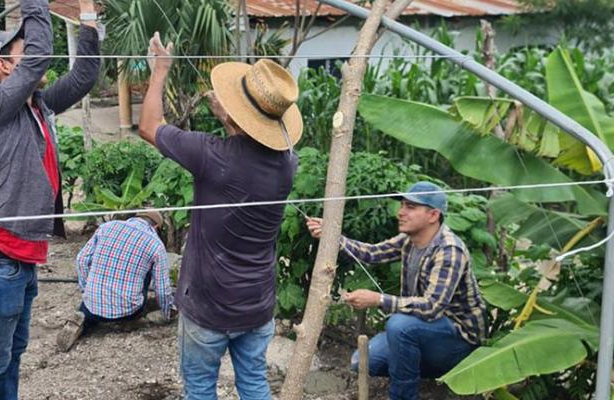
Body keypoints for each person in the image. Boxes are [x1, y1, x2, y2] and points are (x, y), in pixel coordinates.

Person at [137, 32, 302, 400]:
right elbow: (252, 148)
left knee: (200, 390)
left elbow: (148, 126)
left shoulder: (213, 155)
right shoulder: (288, 163)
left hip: (209, 308)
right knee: (255, 384)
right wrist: (230, 120)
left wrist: (160, 70)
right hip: (256, 305)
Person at [0, 0, 101, 398]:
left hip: (18, 262)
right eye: (22, 49)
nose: (34, 56)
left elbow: (84, 75)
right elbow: (39, 59)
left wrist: (88, 16)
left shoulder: (39, 106)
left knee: (10, 356)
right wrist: (36, 5)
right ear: (5, 66)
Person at [305, 181, 487, 400]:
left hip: (458, 340)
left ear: (433, 215)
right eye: (402, 205)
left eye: (410, 207)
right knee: (362, 362)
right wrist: (332, 235)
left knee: (400, 326)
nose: (401, 212)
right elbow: (371, 253)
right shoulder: (409, 240)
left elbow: (431, 307)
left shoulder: (449, 251)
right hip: (426, 330)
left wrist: (378, 299)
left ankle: (403, 395)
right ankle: (430, 373)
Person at [55, 211, 175, 352]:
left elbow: (82, 259)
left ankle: (82, 321)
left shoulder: (107, 227)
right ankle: (129, 321)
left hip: (91, 305)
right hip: (128, 310)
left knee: (89, 310)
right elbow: (162, 287)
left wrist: (86, 288)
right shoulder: (155, 244)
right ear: (155, 227)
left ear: (135, 217)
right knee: (147, 270)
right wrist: (168, 313)